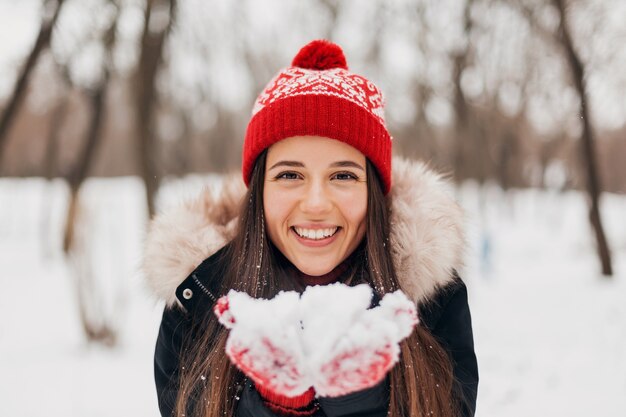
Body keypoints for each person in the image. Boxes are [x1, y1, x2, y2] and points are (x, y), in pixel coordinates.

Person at [143, 39, 478, 417]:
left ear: (373, 194)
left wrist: (355, 398)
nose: (316, 203)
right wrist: (274, 406)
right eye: (289, 174)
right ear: (259, 193)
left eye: (342, 175)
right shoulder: (197, 306)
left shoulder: (432, 306)